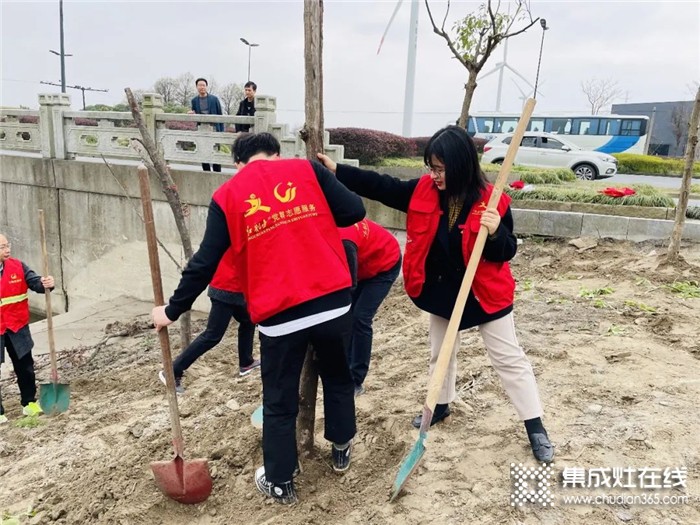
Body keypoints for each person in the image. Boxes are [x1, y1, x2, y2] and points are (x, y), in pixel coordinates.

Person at [317, 125, 554, 463]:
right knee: (439, 353)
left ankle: (535, 427)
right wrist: (337, 171)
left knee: (508, 359)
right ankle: (440, 405)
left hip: (484, 293)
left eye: (440, 168)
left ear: (459, 166)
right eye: (431, 167)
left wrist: (496, 231)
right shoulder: (422, 192)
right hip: (443, 292)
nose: (433, 175)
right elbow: (382, 186)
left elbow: (507, 251)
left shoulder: (493, 200)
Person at [151, 132, 365, 504]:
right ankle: (342, 448)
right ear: (277, 154)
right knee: (337, 376)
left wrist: (172, 310)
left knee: (280, 399)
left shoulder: (228, 195)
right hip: (333, 300)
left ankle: (281, 480)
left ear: (238, 164)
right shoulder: (306, 169)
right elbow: (354, 211)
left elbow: (204, 263)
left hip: (281, 314)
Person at [157, 247, 259, 395]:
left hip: (236, 286)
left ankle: (246, 362)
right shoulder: (233, 229)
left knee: (248, 320)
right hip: (225, 288)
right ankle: (173, 371)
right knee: (212, 335)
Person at [339, 218, 401, 396]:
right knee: (348, 315)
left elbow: (349, 286)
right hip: (363, 262)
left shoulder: (345, 241)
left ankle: (356, 378)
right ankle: (345, 364)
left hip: (385, 264)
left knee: (360, 318)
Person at [0, 234, 54, 423]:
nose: (7, 250)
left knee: (25, 367)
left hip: (17, 325)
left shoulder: (17, 266)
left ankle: (29, 403)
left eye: (8, 245)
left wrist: (45, 283)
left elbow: (35, 283)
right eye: (2, 247)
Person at [189, 77, 224, 172]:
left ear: (206, 87)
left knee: (215, 153)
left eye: (203, 85)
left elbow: (220, 115)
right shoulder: (194, 100)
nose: (202, 87)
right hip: (202, 130)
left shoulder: (214, 99)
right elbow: (195, 114)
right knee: (203, 153)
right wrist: (192, 114)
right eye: (199, 85)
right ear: (196, 87)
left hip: (214, 129)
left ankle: (217, 173)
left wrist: (221, 131)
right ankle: (206, 172)